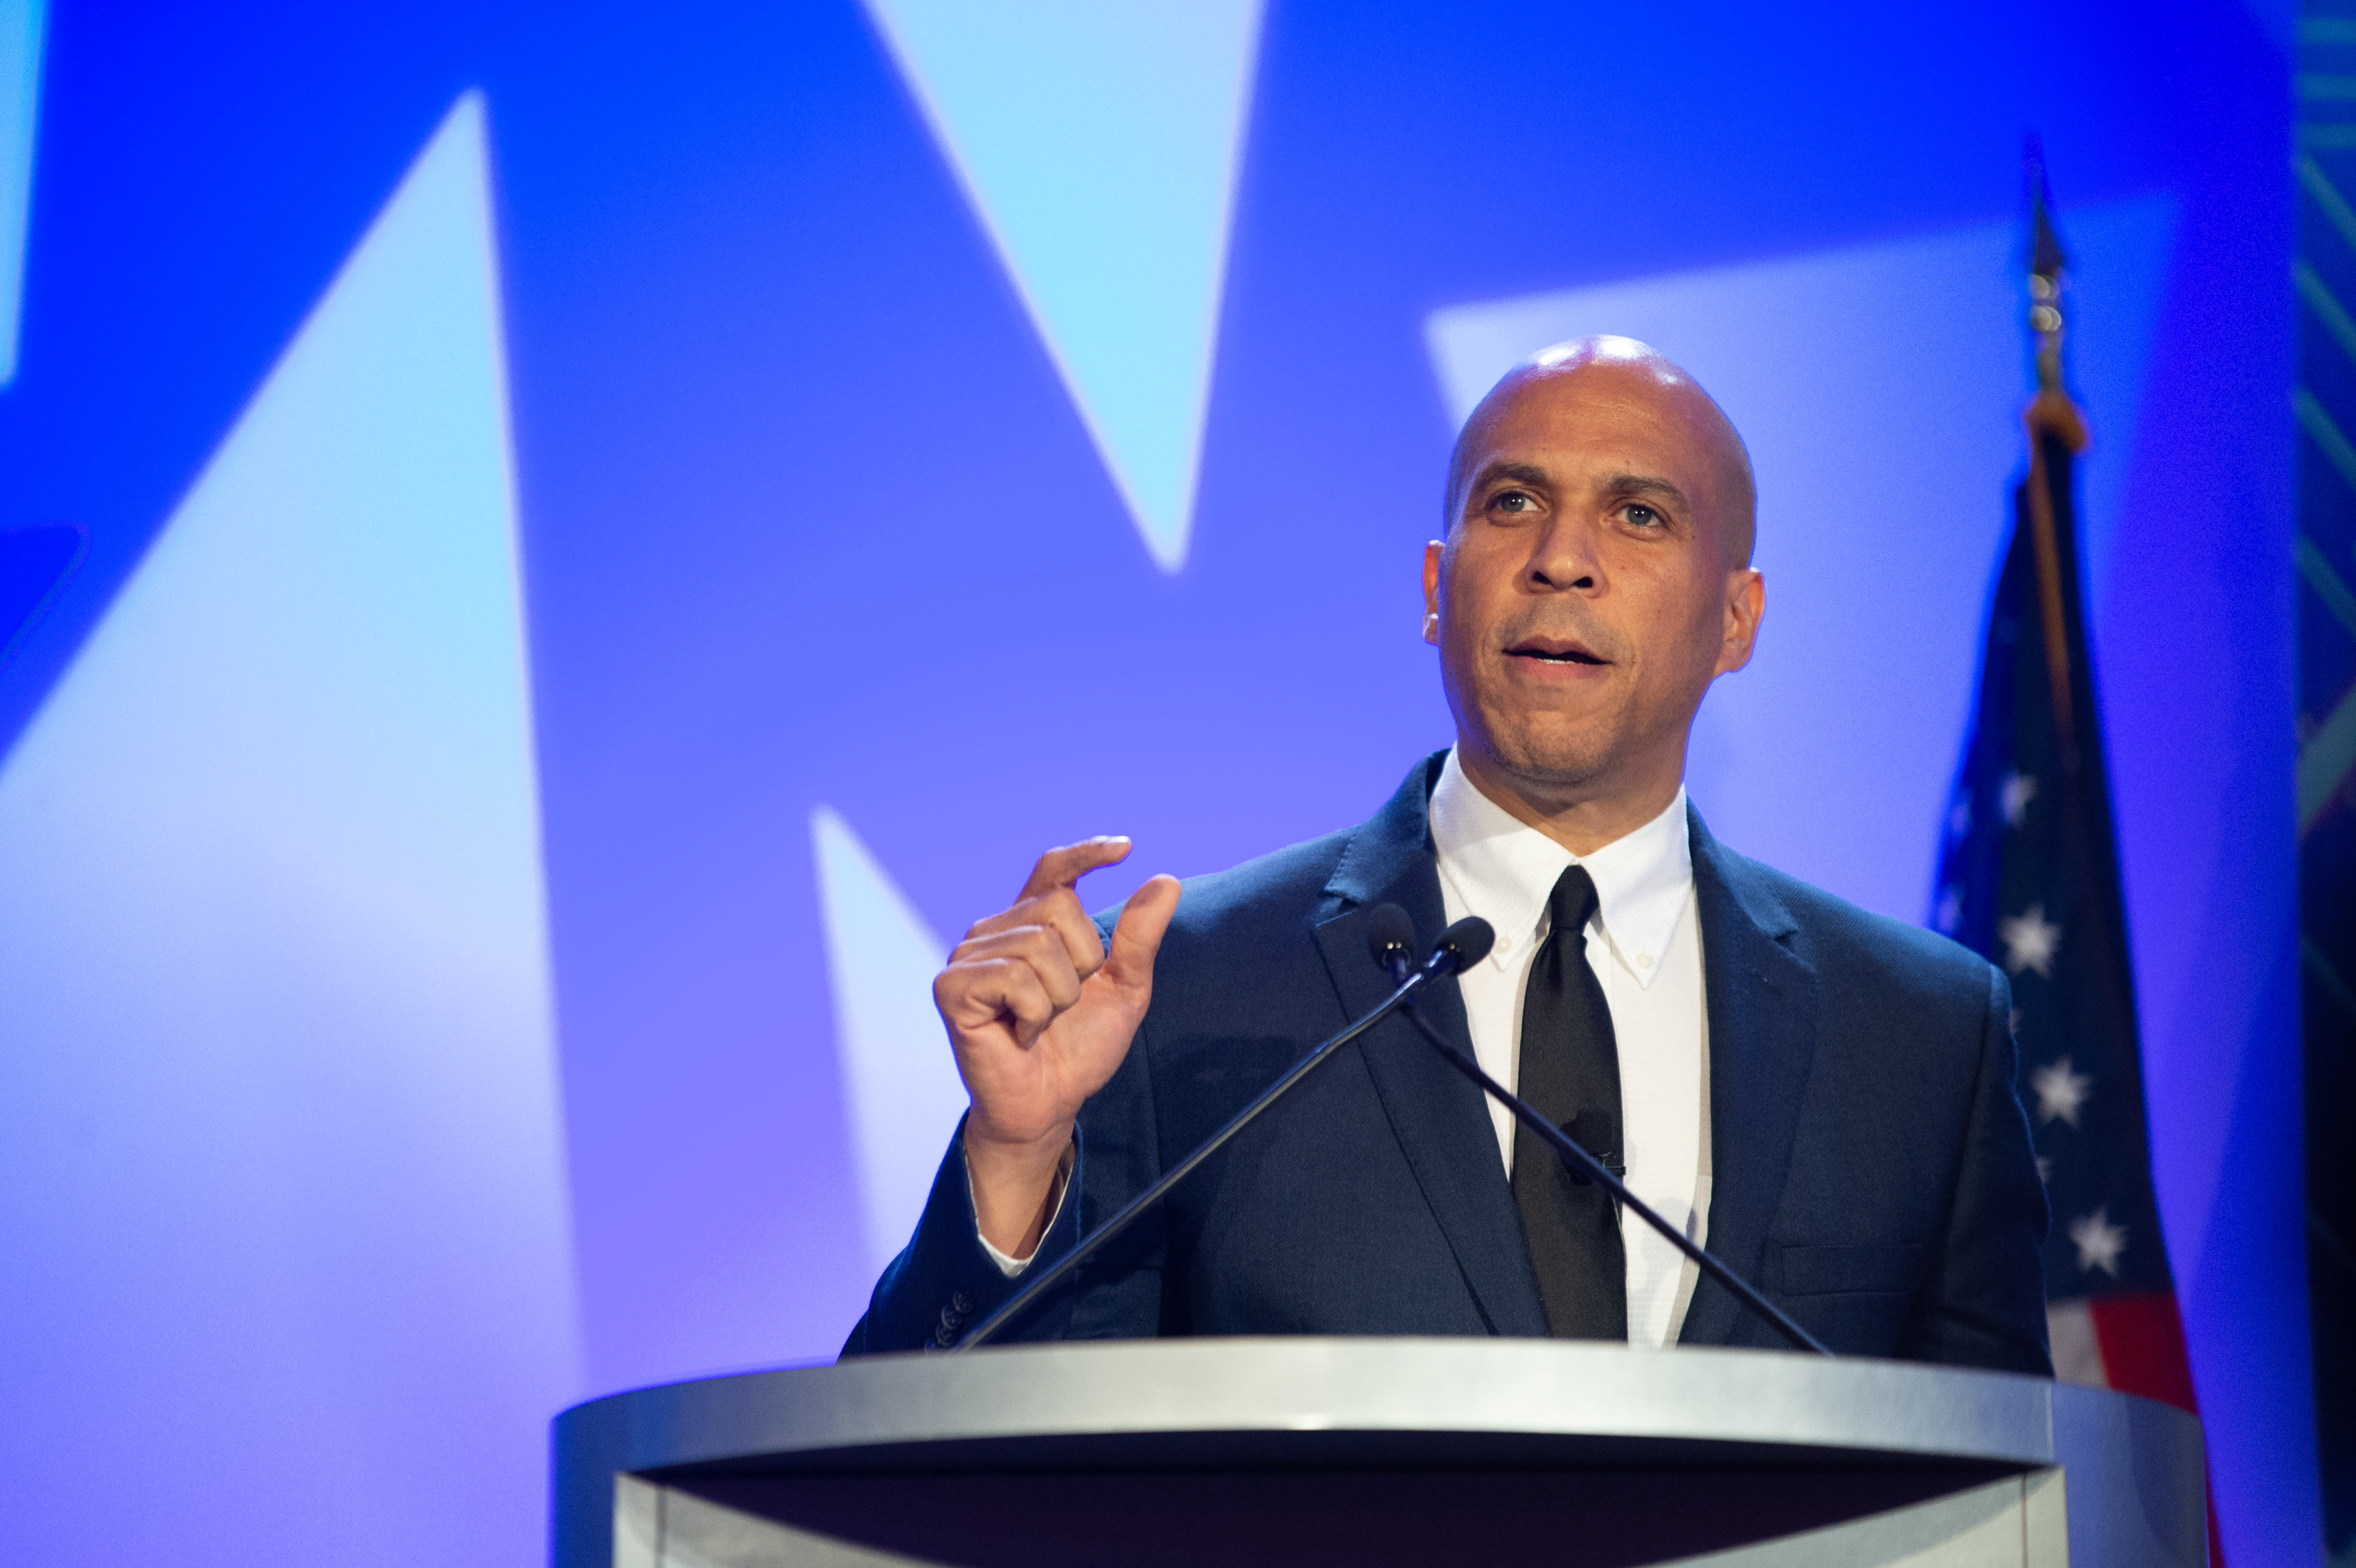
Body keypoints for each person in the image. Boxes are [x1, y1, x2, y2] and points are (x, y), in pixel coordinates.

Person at [841, 337, 2050, 1370]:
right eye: (1510, 502)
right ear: (1436, 586)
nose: (1560, 557)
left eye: (1638, 514)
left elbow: (2019, 1501)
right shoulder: (1176, 987)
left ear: (1736, 619)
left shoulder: (1920, 1036)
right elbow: (939, 1465)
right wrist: (1014, 1161)